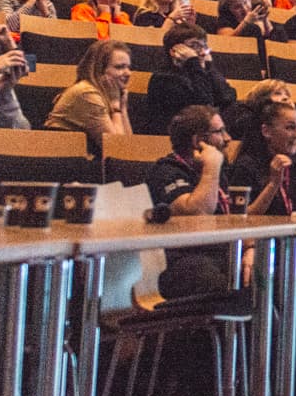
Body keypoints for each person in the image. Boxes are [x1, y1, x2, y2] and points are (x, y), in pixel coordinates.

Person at [146, 106, 234, 296]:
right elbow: (197, 214)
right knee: (213, 279)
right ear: (198, 141)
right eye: (219, 132)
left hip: (220, 253)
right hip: (182, 260)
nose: (228, 139)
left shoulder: (216, 172)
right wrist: (211, 167)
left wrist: (250, 250)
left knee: (274, 275)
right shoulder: (167, 171)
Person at [138, 22, 236, 135]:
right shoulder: (163, 78)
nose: (202, 52)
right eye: (194, 46)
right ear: (174, 51)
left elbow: (228, 98)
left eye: (204, 46)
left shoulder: (201, 72)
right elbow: (203, 107)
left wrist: (209, 67)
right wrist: (193, 63)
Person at [44, 39, 135, 149]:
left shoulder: (108, 94)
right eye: (119, 67)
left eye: (129, 67)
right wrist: (116, 107)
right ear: (99, 70)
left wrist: (123, 108)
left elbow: (129, 147)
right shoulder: (87, 94)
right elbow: (117, 148)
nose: (128, 73)